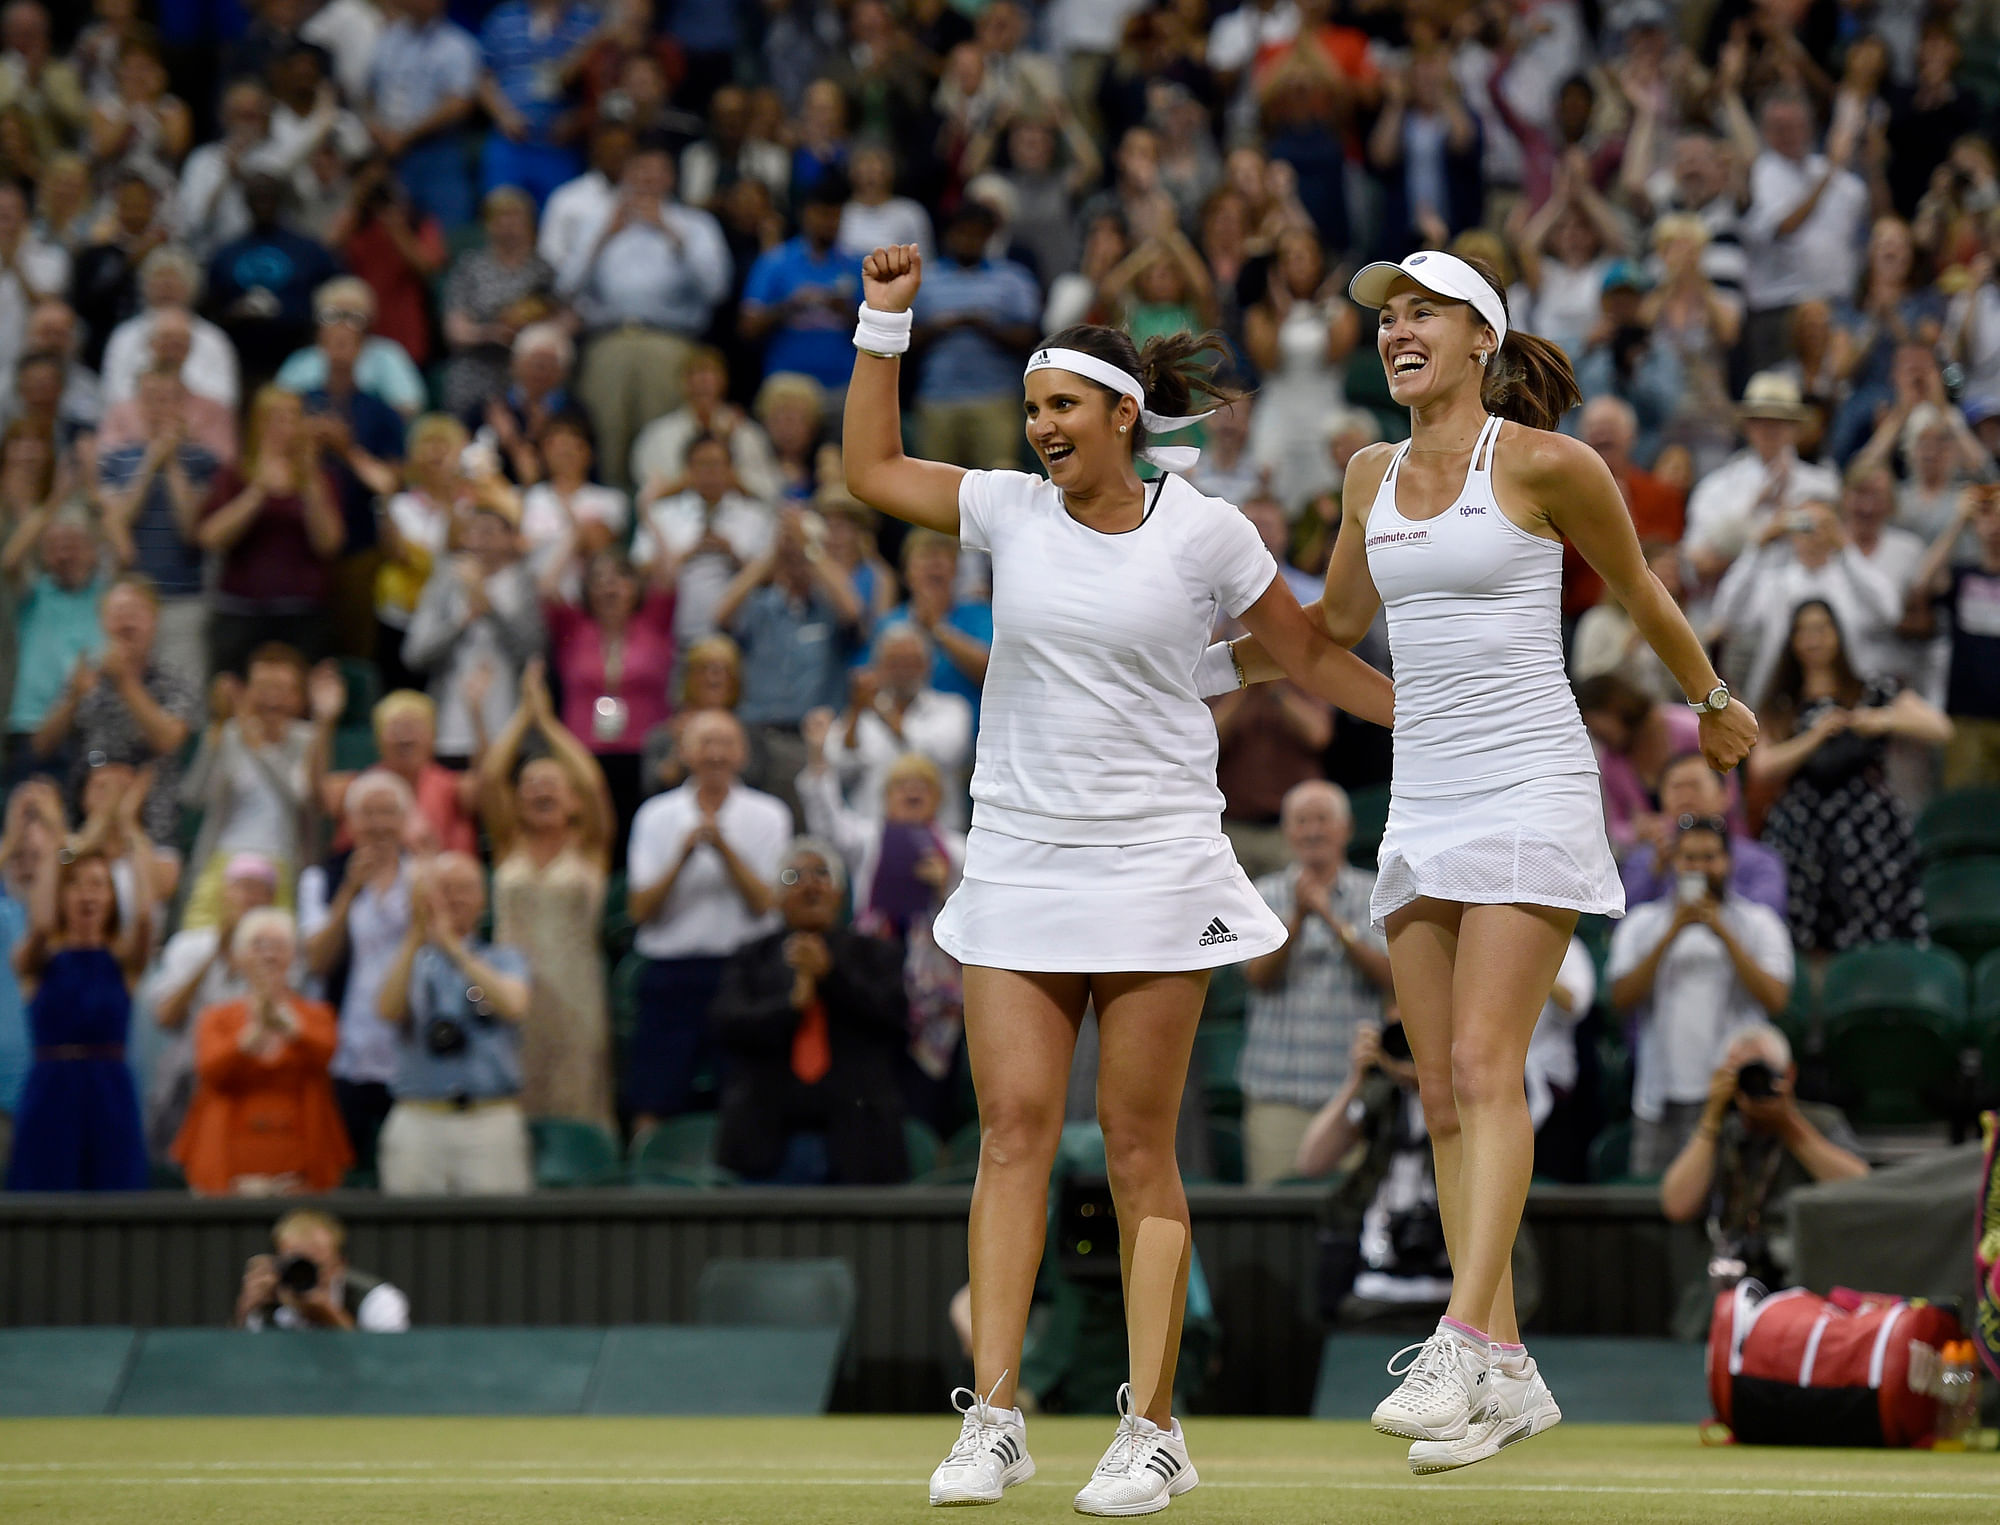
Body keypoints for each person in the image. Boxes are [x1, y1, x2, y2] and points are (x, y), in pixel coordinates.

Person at [844, 244, 1390, 1512]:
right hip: (1022, 859)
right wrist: (884, 321)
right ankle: (996, 1414)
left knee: (1140, 1149)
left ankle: (1150, 1424)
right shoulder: (1006, 509)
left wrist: (1436, 717)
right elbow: (869, 470)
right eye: (1030, 410)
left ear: (1120, 417)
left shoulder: (1207, 532)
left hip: (1154, 860)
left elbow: (1306, 655)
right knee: (1011, 1138)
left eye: (1059, 408)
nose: (1039, 428)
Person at [1222, 248, 1758, 1473]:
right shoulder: (1363, 473)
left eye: (1424, 314)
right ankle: (1509, 1372)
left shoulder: (1547, 463)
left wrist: (1711, 698)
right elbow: (1334, 632)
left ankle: (1461, 1332)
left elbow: (1639, 587)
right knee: (1437, 1084)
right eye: (1387, 317)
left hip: (1530, 783)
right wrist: (1201, 654)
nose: (1397, 330)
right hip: (1425, 795)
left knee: (1480, 1057)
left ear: (1481, 341)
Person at [623, 708, 789, 1133]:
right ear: (684, 752)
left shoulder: (769, 814)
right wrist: (681, 857)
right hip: (672, 973)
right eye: (705, 743)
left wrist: (724, 849)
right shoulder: (655, 815)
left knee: (750, 1092)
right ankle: (646, 1183)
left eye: (725, 743)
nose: (715, 754)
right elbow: (640, 910)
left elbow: (766, 905)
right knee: (653, 1094)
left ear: (742, 753)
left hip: (745, 970)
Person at [1749, 600, 1947, 955]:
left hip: (1868, 826)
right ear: (1791, 641)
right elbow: (1763, 767)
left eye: (1822, 628)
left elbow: (1940, 728)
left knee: (1875, 920)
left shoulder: (1871, 690)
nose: (1814, 639)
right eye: (1804, 631)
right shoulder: (1781, 702)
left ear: (1838, 634)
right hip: (1803, 827)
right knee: (1803, 930)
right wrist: (1814, 736)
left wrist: (1882, 720)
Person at [710, 836, 911, 1183]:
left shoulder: (877, 954)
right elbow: (726, 1025)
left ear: (840, 893)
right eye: (794, 877)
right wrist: (788, 1007)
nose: (809, 885)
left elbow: (894, 1019)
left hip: (860, 1146)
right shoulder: (750, 957)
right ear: (776, 896)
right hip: (764, 1143)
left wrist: (830, 976)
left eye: (821, 874)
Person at [1608, 816, 1796, 1177]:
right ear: (1673, 862)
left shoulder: (1759, 923)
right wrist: (1671, 934)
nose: (1699, 868)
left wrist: (1723, 933)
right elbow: (1619, 999)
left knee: (1726, 1197)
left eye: (1710, 857)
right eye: (1689, 858)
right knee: (1653, 1211)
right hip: (1658, 1096)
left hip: (1730, 1094)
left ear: (1728, 862)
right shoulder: (1642, 923)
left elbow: (1776, 999)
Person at [479, 659, 616, 1131]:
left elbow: (594, 781)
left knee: (577, 1091)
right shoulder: (508, 847)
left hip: (577, 987)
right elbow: (491, 778)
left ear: (572, 800)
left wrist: (551, 725)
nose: (540, 788)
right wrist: (523, 717)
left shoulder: (591, 849)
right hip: (513, 986)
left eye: (552, 783)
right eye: (531, 783)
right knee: (516, 1094)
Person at [3, 771, 154, 1190]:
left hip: (109, 1094)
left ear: (111, 897)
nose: (87, 896)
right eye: (77, 886)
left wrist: (131, 830)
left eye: (98, 886)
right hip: (51, 1092)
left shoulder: (124, 959)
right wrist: (55, 838)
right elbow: (43, 919)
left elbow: (144, 915)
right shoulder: (37, 958)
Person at [1239, 780, 1392, 1187]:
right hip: (1276, 1096)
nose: (1312, 831)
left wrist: (1332, 920)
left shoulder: (1375, 894)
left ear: (1346, 829)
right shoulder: (1263, 894)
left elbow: (1391, 978)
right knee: (1274, 1221)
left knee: (1353, 1219)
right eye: (1302, 821)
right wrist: (1297, 920)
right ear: (1288, 832)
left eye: (1323, 820)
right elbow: (1256, 978)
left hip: (1351, 1094)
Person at [1659, 1024, 1869, 1299]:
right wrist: (1710, 1118)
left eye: (1760, 1073)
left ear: (1789, 1074)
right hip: (1732, 1283)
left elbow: (1862, 1189)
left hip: (1803, 1279)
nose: (1752, 1085)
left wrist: (1790, 1125)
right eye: (1741, 1075)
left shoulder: (1821, 1123)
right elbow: (1676, 1205)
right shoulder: (1720, 1132)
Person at [376, 852, 534, 1195]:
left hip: (489, 1117)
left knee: (498, 1232)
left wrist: (455, 949)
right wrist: (416, 937)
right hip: (419, 1116)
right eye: (444, 890)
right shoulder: (409, 960)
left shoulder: (504, 958)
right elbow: (388, 1010)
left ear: (482, 899)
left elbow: (513, 1005)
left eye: (464, 889)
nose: (455, 899)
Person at [172, 907, 350, 1196]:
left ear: (293, 955)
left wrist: (289, 1026)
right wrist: (251, 1036)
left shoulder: (317, 1015)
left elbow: (325, 1053)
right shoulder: (216, 1018)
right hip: (227, 1167)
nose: (269, 955)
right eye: (258, 945)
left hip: (300, 1169)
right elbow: (211, 1069)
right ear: (239, 957)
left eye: (278, 945)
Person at [298, 767, 419, 1175]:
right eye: (369, 813)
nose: (379, 824)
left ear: (405, 821)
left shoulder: (425, 877)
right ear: (350, 821)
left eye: (388, 812)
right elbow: (316, 961)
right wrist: (349, 892)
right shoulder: (323, 879)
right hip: (347, 1052)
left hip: (409, 1048)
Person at [195, 386, 345, 675]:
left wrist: (310, 478)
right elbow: (210, 538)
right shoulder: (234, 474)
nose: (285, 427)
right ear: (257, 425)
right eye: (275, 418)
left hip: (301, 612)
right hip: (240, 611)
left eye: (292, 418)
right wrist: (258, 489)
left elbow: (329, 544)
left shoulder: (322, 477)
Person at [142, 850, 281, 1158]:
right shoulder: (189, 945)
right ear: (225, 893)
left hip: (255, 1091)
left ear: (270, 899)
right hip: (188, 1085)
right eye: (242, 887)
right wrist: (216, 953)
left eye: (258, 889)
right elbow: (165, 1016)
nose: (249, 897)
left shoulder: (281, 952)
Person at [401, 485, 544, 765]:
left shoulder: (524, 583)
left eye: (489, 532)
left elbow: (533, 652)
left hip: (510, 729)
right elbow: (415, 654)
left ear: (510, 538)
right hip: (451, 728)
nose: (479, 541)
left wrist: (489, 608)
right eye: (472, 532)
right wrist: (462, 621)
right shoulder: (445, 582)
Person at [177, 645, 317, 926]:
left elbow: (303, 797)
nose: (271, 700)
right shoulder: (229, 734)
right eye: (263, 688)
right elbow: (193, 796)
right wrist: (216, 732)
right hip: (224, 860)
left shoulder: (308, 741)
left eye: (281, 689)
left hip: (281, 866)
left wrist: (261, 749)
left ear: (298, 698)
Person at [1906, 486, 2000, 788]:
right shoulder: (1963, 575)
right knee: (1963, 812)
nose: (1995, 525)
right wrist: (1958, 521)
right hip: (1965, 716)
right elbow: (1923, 582)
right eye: (1988, 517)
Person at [1619, 752, 1787, 917]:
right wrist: (1654, 873)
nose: (1685, 796)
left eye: (1694, 786)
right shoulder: (1644, 859)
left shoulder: (1760, 861)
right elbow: (1620, 919)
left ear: (1725, 796)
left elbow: (1768, 917)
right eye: (1676, 788)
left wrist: (1717, 878)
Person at [234, 1207, 410, 1331]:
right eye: (295, 1266)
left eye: (315, 1267)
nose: (304, 1276)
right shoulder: (269, 1303)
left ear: (340, 1265)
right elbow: (238, 1368)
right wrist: (246, 1310)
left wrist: (331, 1317)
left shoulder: (376, 1300)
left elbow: (388, 1369)